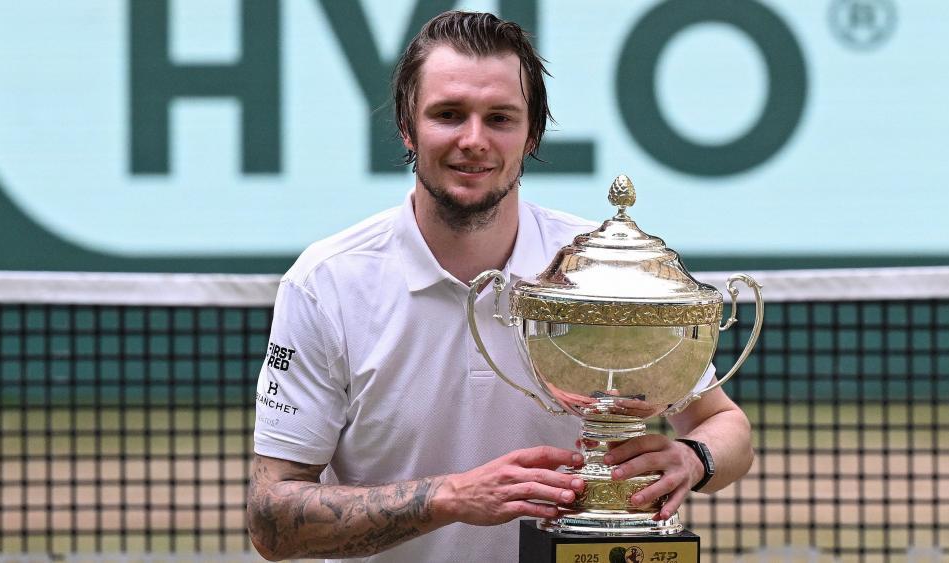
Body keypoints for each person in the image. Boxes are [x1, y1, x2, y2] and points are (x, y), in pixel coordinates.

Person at [247, 10, 753, 563]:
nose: (473, 140)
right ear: (406, 124)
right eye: (447, 114)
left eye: (500, 118)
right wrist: (452, 497)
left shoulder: (595, 270)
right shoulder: (327, 283)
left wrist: (693, 458)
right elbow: (272, 521)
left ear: (531, 131)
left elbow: (723, 424)